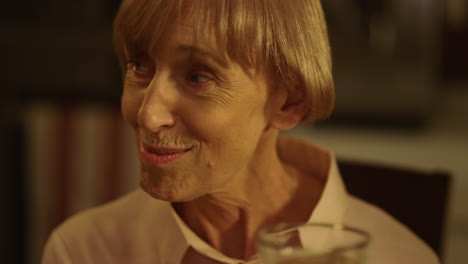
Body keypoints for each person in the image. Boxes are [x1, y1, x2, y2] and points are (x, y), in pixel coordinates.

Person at [42, 0, 439, 263]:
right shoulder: (86, 251)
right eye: (139, 66)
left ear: (288, 104)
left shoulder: (400, 257)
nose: (147, 115)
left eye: (198, 76)